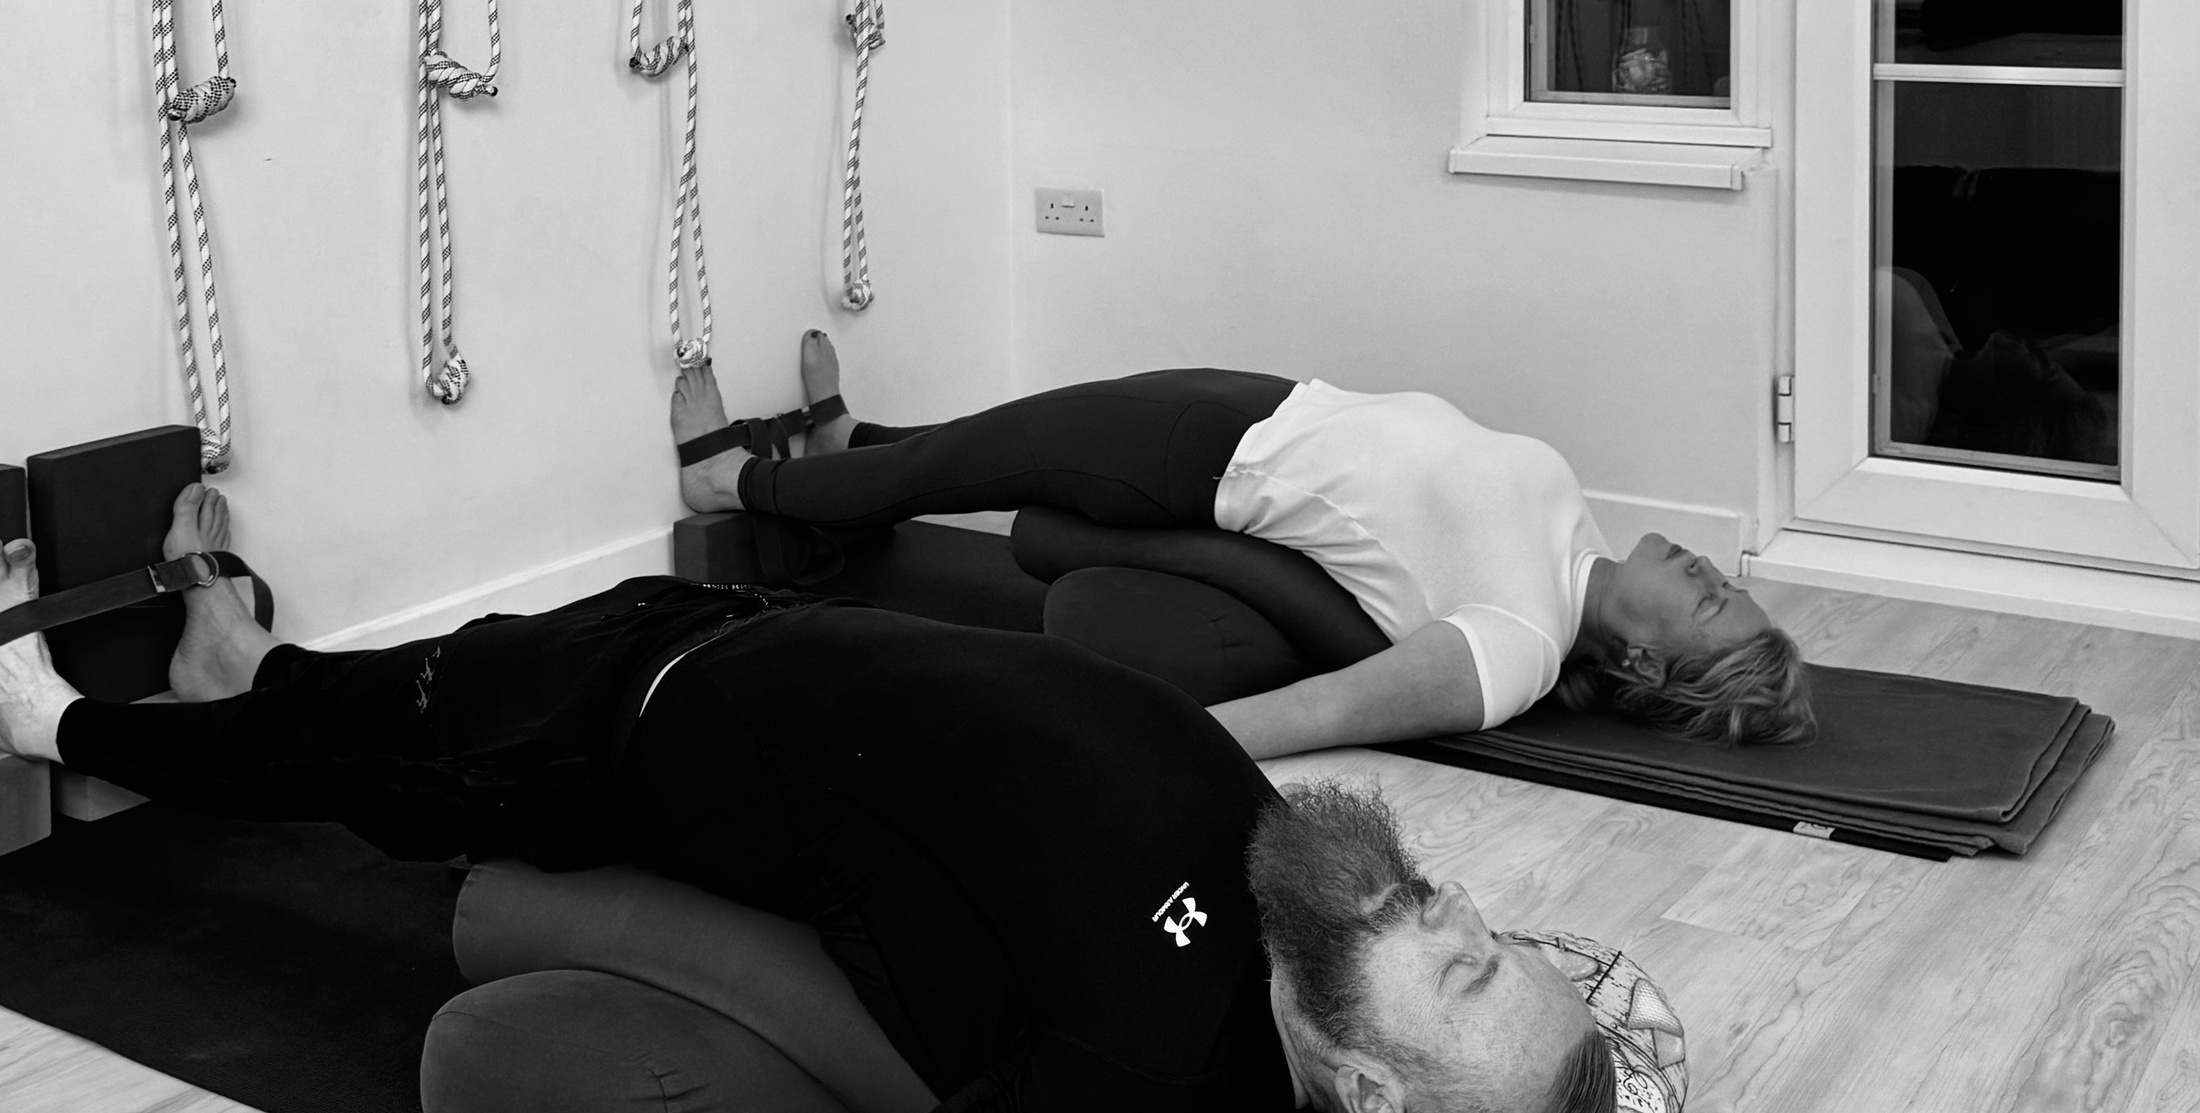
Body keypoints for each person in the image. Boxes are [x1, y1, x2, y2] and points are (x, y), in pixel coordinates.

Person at [0, 486, 1616, 1113]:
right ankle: (238, 666)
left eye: (1471, 979)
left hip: (619, 737)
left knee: (374, 753)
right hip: (727, 624)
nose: (1470, 922)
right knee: (366, 695)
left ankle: (65, 732)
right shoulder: (1297, 903)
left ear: (1371, 1083)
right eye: (1500, 945)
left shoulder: (1141, 1085)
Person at [676, 334, 1816, 757]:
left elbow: (1320, 713)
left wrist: (1136, 751)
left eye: (1716, 609)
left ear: (1648, 666)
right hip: (1269, 401)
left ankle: (738, 478)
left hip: (1208, 460)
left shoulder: (1516, 646)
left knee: (973, 464)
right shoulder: (1583, 546)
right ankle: (845, 443)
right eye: (1730, 588)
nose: (1717, 577)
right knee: (982, 446)